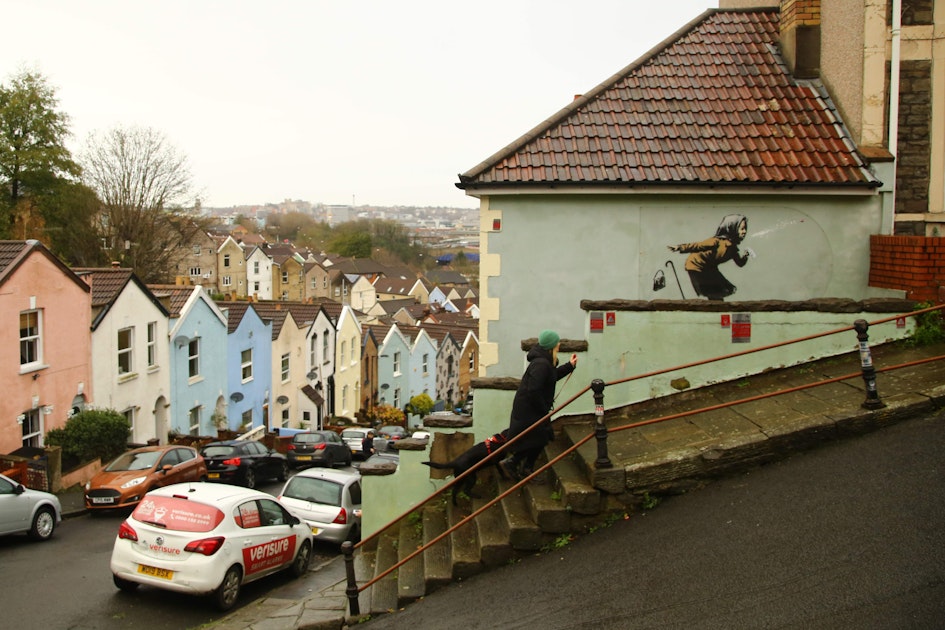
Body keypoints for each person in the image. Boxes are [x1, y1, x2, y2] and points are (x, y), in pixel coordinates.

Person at [501, 329, 577, 482]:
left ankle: (524, 468)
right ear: (551, 346)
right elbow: (533, 389)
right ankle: (514, 464)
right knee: (537, 437)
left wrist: (570, 365)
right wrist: (543, 408)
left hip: (532, 408)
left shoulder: (544, 361)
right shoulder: (541, 364)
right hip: (530, 410)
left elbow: (551, 376)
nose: (559, 344)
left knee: (540, 437)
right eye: (557, 342)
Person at [667, 214, 750, 301]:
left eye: (745, 229)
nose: (744, 232)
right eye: (742, 229)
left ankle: (717, 308)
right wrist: (680, 247)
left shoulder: (733, 248)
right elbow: (698, 246)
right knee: (713, 292)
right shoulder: (717, 241)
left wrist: (745, 256)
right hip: (697, 266)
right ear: (732, 228)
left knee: (721, 290)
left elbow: (740, 263)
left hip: (710, 267)